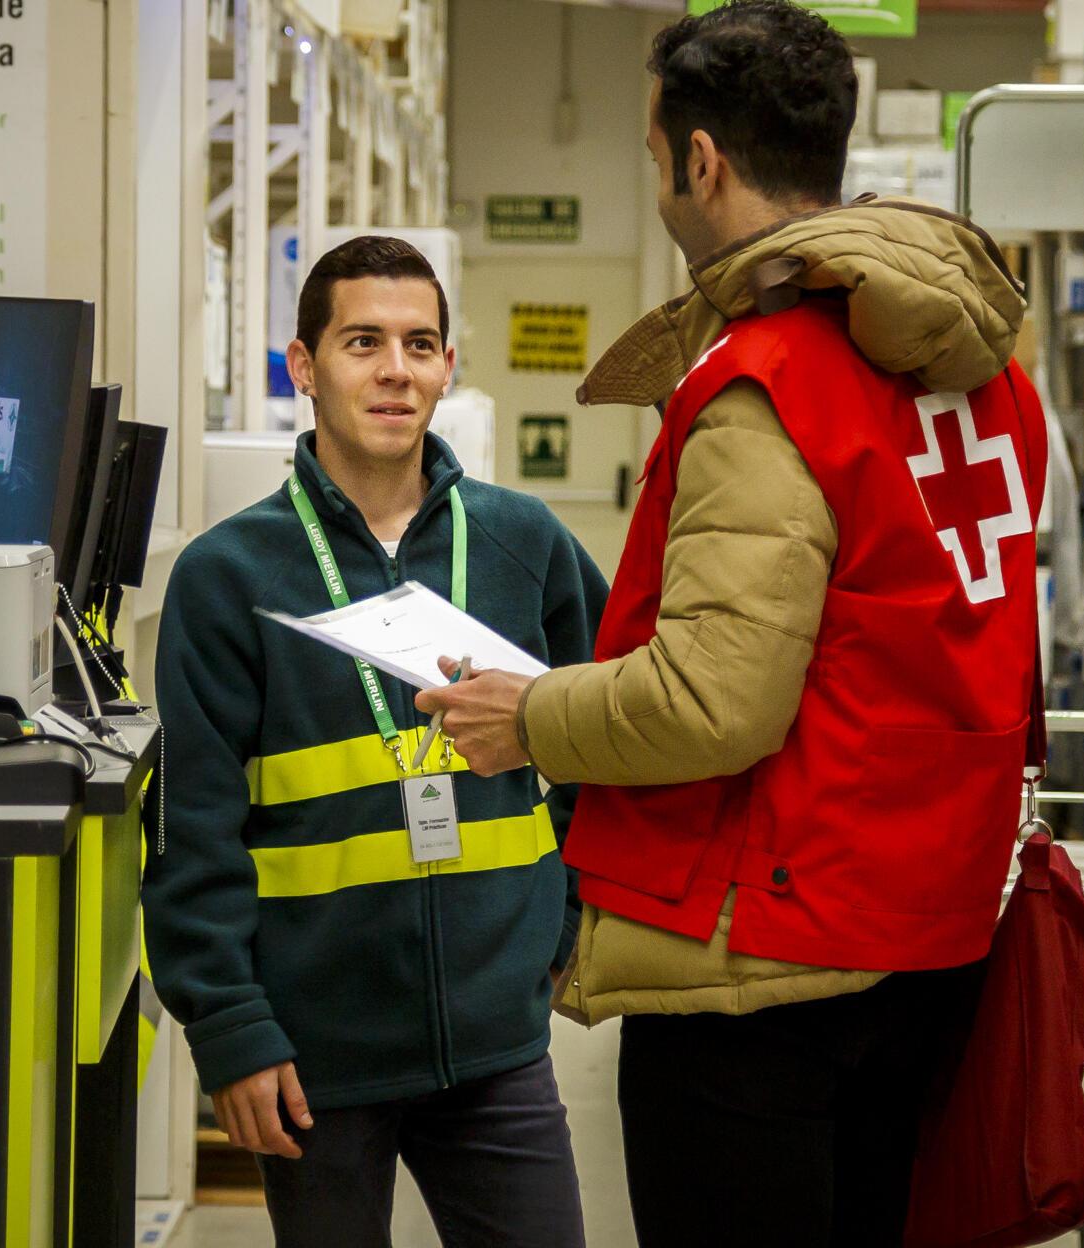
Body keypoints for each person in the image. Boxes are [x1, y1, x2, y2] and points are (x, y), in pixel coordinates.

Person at [414, 3, 1049, 1243]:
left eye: (653, 158)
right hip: (932, 928)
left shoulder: (770, 381)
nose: (657, 180)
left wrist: (526, 717)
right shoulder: (983, 372)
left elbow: (715, 702)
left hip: (771, 956)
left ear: (701, 160)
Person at [145, 235, 605, 1248]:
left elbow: (607, 734)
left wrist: (565, 921)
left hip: (497, 1045)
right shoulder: (229, 579)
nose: (395, 368)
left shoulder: (525, 546)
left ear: (448, 368)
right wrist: (230, 1028)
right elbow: (194, 831)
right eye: (362, 342)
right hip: (313, 1061)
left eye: (419, 343)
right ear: (303, 367)